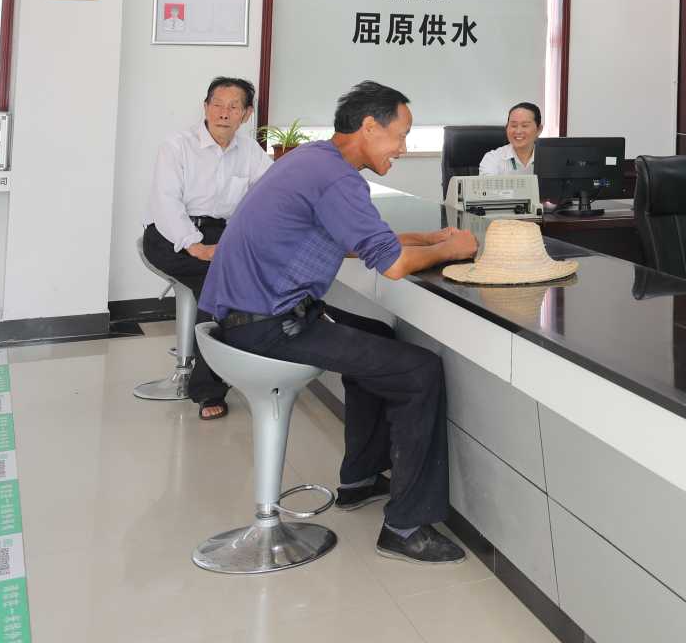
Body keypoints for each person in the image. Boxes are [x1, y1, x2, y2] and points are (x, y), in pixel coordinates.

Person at [202, 81, 481, 565]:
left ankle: (360, 478)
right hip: (267, 327)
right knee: (418, 371)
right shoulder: (338, 179)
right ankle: (406, 527)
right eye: (401, 134)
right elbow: (393, 265)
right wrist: (452, 249)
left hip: (239, 320)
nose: (403, 148)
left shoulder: (314, 160)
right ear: (369, 126)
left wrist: (427, 238)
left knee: (376, 337)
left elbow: (356, 240)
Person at [141, 76, 271, 421]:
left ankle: (235, 367)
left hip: (220, 236)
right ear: (205, 107)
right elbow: (166, 204)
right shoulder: (177, 146)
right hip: (170, 236)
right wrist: (196, 246)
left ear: (246, 114)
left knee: (236, 280)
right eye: (217, 104)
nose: (223, 113)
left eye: (233, 107)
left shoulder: (249, 152)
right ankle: (208, 389)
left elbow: (273, 192)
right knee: (220, 283)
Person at [478, 101, 542, 174]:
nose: (518, 131)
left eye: (525, 125)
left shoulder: (549, 158)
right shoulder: (492, 159)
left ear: (539, 129)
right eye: (514, 126)